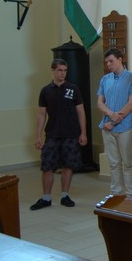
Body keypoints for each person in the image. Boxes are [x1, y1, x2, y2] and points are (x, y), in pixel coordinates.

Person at [30, 58, 88, 210]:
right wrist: (38, 135)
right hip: (52, 134)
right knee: (47, 166)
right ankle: (46, 198)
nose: (62, 73)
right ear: (53, 71)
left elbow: (80, 111)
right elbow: (41, 114)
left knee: (68, 166)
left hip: (71, 134)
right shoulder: (46, 91)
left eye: (65, 70)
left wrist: (83, 133)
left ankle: (65, 195)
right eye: (59, 70)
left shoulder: (73, 89)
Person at [97, 48, 132, 200]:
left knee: (128, 162)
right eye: (107, 62)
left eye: (111, 61)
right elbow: (100, 102)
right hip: (107, 126)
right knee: (113, 162)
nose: (108, 64)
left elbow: (131, 103)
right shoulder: (105, 79)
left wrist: (115, 119)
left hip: (125, 126)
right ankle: (116, 193)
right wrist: (110, 116)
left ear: (120, 59)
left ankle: (131, 194)